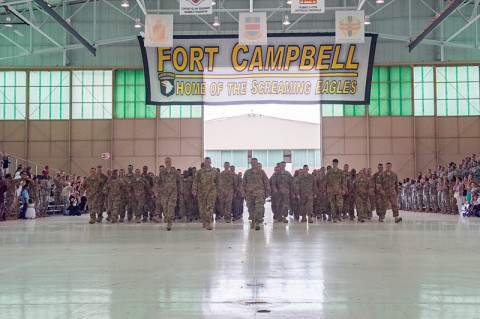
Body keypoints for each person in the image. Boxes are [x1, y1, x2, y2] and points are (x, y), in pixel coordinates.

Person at [242, 158, 270, 230]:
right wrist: (243, 191)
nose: (253, 163)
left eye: (255, 162)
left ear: (257, 163)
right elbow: (243, 183)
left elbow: (266, 181)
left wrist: (267, 191)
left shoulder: (261, 172)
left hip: (259, 193)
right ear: (251, 163)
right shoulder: (247, 172)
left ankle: (257, 222)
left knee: (259, 208)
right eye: (252, 162)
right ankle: (253, 221)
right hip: (250, 193)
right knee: (251, 208)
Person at [155, 157, 182, 230]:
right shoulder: (162, 172)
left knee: (171, 206)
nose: (168, 162)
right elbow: (158, 182)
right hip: (164, 193)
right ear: (165, 162)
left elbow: (179, 182)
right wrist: (156, 191)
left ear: (171, 162)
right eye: (166, 161)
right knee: (165, 207)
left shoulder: (175, 172)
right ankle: (167, 217)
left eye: (169, 161)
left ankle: (169, 223)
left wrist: (180, 192)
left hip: (173, 192)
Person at [192, 157, 219, 230]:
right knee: (202, 208)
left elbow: (218, 182)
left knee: (210, 207)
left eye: (208, 162)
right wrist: (194, 190)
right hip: (202, 192)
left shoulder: (214, 171)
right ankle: (204, 221)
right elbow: (195, 181)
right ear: (204, 163)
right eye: (206, 162)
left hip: (212, 191)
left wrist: (218, 191)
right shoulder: (200, 172)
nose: (207, 163)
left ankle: (208, 222)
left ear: (210, 162)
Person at [325, 159, 346, 223]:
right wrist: (326, 190)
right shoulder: (329, 172)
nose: (334, 165)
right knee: (332, 205)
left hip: (339, 191)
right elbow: (326, 182)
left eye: (335, 164)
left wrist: (343, 189)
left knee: (340, 205)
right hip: (331, 191)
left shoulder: (341, 172)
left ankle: (339, 214)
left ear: (337, 164)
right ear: (332, 164)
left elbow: (344, 181)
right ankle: (334, 217)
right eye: (333, 164)